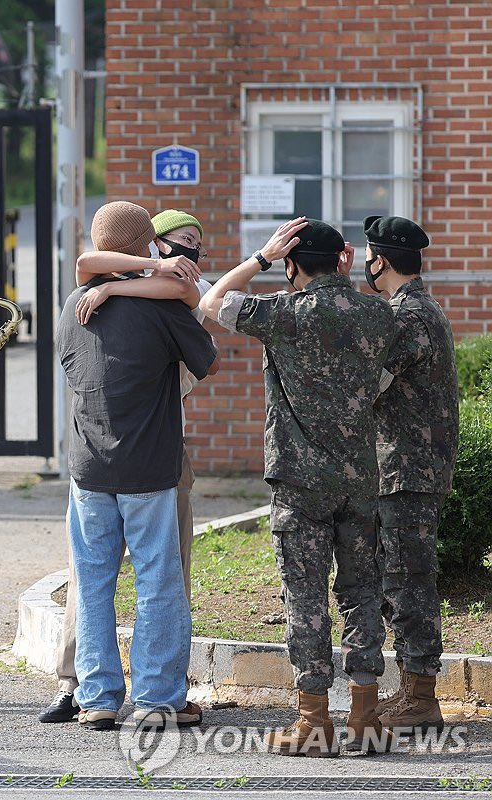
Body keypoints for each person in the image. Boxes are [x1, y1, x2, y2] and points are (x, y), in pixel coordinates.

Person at [200, 218, 395, 756]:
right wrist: (339, 276)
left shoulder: (284, 314)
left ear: (291, 265)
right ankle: (366, 714)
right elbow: (382, 376)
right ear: (342, 260)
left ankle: (313, 720)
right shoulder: (378, 313)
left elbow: (213, 302)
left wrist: (260, 257)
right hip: (361, 477)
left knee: (305, 595)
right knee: (362, 593)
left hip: (300, 479)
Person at [41, 208, 215, 724]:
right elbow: (207, 360)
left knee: (93, 583)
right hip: (150, 468)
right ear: (150, 246)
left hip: (87, 468)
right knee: (157, 581)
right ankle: (158, 696)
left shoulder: (75, 304)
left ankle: (95, 699)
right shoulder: (163, 308)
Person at [363, 216, 459, 733]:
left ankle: (421, 696)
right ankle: (412, 688)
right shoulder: (421, 310)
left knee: (408, 581)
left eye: (370, 256)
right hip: (408, 468)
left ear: (382, 260)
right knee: (403, 577)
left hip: (407, 470)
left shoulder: (407, 318)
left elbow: (371, 386)